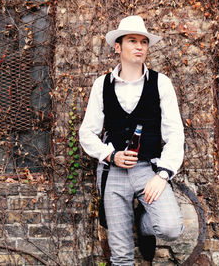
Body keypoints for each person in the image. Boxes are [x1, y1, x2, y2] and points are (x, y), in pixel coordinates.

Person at [79, 15, 184, 265]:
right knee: (122, 255)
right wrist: (110, 155)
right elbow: (87, 132)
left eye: (143, 42)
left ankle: (141, 222)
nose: (139, 46)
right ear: (118, 46)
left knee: (170, 227)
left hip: (148, 169)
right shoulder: (101, 85)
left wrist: (163, 175)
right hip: (112, 172)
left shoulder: (161, 83)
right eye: (132, 41)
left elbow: (175, 133)